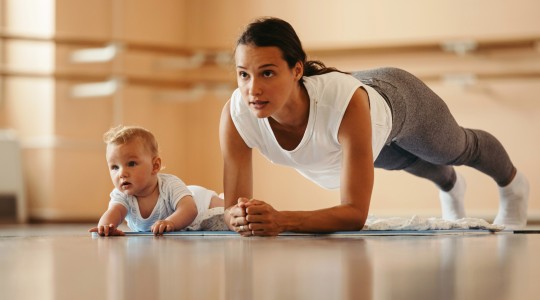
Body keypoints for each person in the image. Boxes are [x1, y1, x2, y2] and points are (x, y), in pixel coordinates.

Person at [219, 17, 529, 236]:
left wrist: (281, 220)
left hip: (395, 99)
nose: (253, 89)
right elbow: (231, 208)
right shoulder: (237, 115)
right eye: (244, 74)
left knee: (453, 149)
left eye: (267, 73)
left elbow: (354, 213)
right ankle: (451, 186)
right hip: (357, 129)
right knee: (406, 161)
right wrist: (240, 216)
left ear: (297, 70)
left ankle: (514, 186)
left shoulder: (344, 105)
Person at [89, 125, 224, 236]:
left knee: (228, 209)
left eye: (131, 164)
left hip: (199, 202)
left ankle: (233, 200)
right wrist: (106, 227)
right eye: (114, 167)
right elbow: (114, 213)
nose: (122, 173)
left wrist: (171, 222)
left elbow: (189, 209)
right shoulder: (122, 195)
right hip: (189, 226)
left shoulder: (169, 185)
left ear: (155, 166)